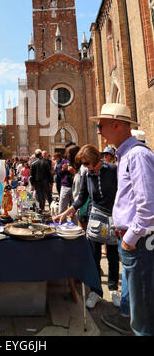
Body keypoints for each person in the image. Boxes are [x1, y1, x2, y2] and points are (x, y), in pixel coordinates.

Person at [91, 103, 154, 337]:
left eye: (101, 125)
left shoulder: (137, 154)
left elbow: (147, 204)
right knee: (140, 309)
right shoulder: (126, 154)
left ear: (115, 125)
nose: (98, 130)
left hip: (138, 242)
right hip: (131, 241)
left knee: (144, 315)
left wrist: (130, 238)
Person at [54, 144, 120, 310]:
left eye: (86, 163)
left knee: (112, 255)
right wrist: (66, 212)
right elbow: (81, 198)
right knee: (94, 256)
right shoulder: (87, 174)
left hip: (113, 218)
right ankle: (96, 291)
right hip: (95, 219)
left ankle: (113, 289)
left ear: (95, 159)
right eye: (82, 164)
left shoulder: (112, 170)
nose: (84, 167)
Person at [56, 146, 74, 214]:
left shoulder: (76, 161)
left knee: (74, 209)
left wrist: (73, 172)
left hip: (74, 186)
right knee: (62, 207)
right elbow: (59, 174)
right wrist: (63, 170)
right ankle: (62, 222)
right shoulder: (64, 161)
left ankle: (74, 223)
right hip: (65, 185)